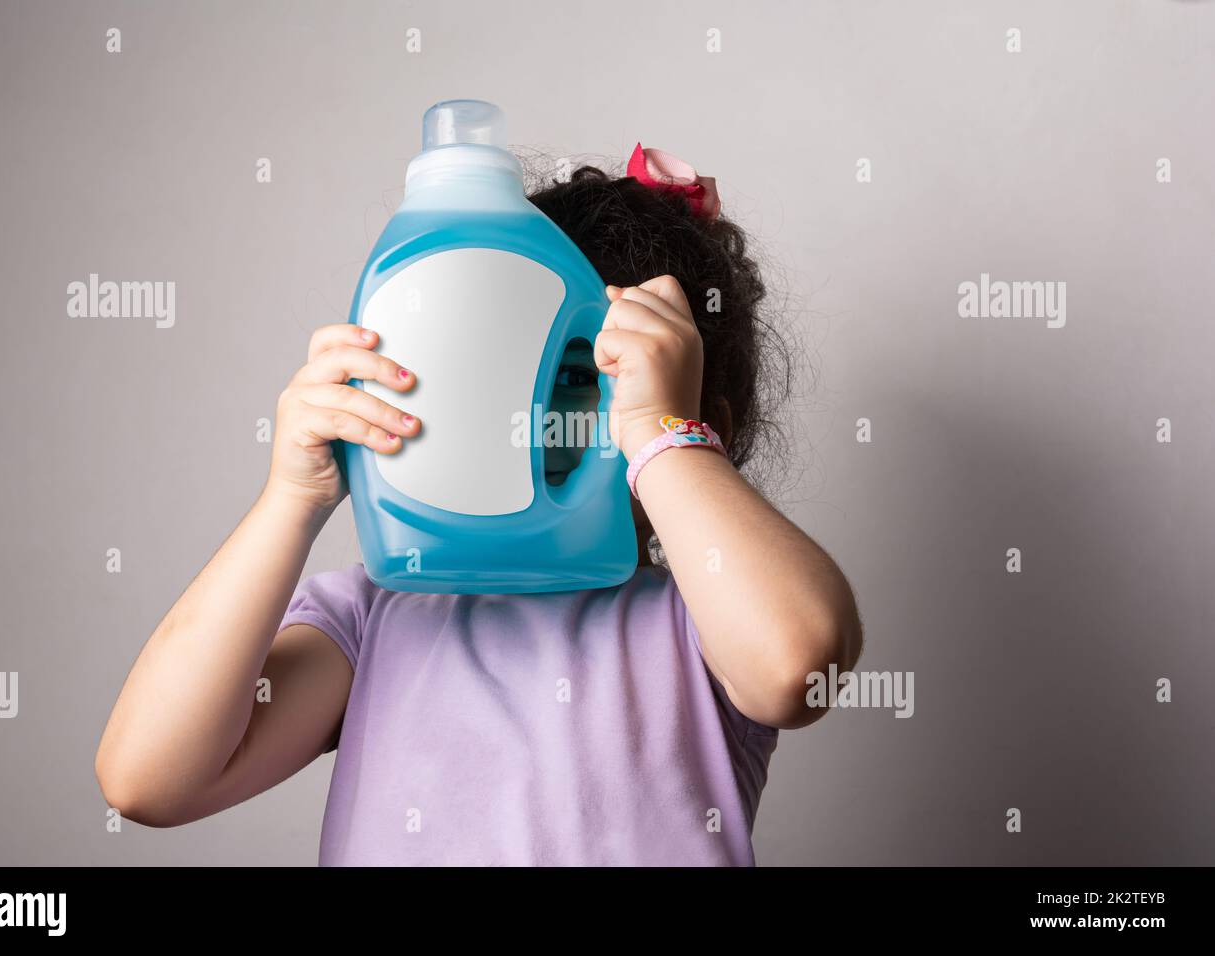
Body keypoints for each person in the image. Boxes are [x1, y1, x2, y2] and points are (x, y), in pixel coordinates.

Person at [95, 144, 863, 865]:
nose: (531, 425)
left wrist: (657, 433)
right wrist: (290, 501)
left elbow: (798, 666)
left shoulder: (704, 627)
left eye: (590, 384)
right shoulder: (374, 617)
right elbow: (149, 781)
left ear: (703, 433)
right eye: (498, 383)